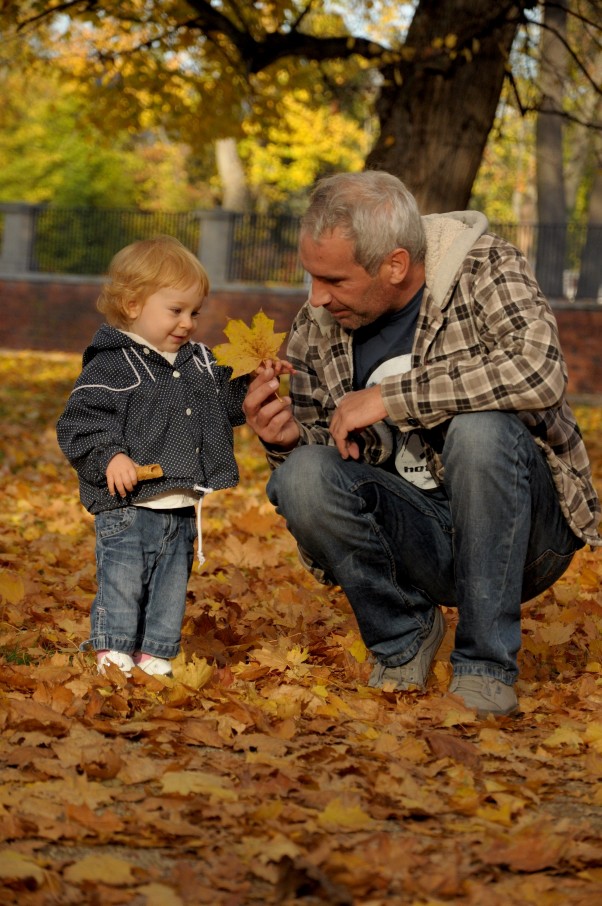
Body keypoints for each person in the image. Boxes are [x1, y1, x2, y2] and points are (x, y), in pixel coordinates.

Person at [244, 171, 601, 717]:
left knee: (481, 430)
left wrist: (390, 398)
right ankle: (403, 635)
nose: (316, 297)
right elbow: (329, 463)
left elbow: (538, 372)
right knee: (302, 474)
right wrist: (286, 442)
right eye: (311, 277)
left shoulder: (484, 267)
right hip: (419, 537)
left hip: (526, 534)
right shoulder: (317, 323)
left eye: (334, 280)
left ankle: (484, 665)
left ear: (395, 264)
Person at [57, 236, 250, 677]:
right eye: (176, 310)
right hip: (129, 504)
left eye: (195, 313)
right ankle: (114, 648)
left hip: (181, 502)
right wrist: (109, 457)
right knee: (123, 579)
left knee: (170, 583)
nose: (187, 323)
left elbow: (229, 405)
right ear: (131, 304)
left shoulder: (200, 361)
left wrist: (254, 383)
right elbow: (80, 422)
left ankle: (156, 652)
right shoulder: (113, 364)